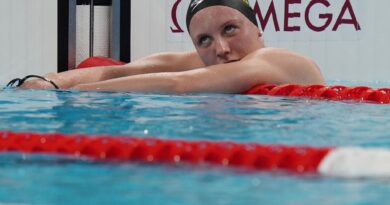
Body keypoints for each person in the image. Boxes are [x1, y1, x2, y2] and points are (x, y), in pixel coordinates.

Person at [21, 0, 324, 93]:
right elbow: (119, 72)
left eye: (230, 29)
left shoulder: (278, 60)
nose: (220, 48)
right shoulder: (213, 64)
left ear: (258, 28)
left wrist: (74, 95)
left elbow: (179, 84)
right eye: (204, 40)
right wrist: (52, 82)